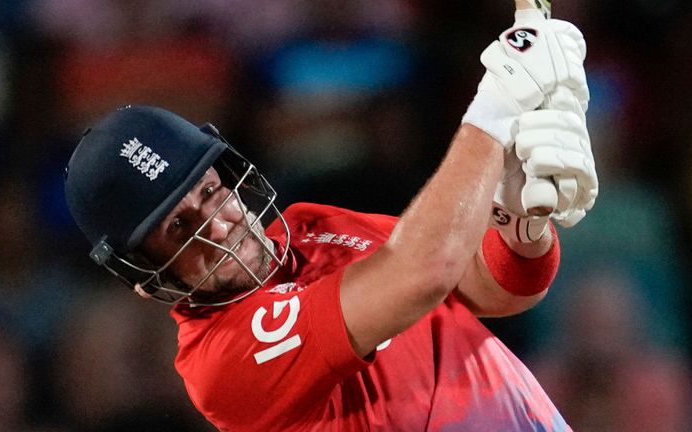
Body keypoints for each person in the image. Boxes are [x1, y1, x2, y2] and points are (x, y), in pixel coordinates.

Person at [63, 8, 597, 432]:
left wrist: (519, 218)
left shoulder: (309, 224)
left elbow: (492, 290)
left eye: (209, 191)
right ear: (145, 275)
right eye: (179, 228)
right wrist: (498, 102)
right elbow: (425, 270)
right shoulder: (223, 362)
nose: (219, 225)